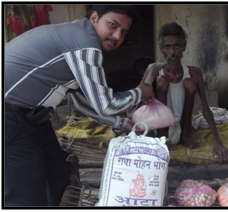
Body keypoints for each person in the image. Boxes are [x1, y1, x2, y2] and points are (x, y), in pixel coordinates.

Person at [4, 5, 153, 206]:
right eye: (112, 25)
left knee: (58, 173)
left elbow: (85, 101)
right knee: (25, 194)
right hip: (9, 118)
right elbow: (104, 104)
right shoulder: (85, 44)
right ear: (94, 18)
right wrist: (139, 92)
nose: (117, 36)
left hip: (33, 119)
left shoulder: (76, 37)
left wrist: (121, 123)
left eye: (123, 32)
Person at [141, 22, 228, 164]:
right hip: (161, 130)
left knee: (189, 83)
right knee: (162, 81)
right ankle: (163, 138)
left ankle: (184, 135)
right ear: (161, 49)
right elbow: (143, 105)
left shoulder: (193, 72)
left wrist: (217, 141)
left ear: (183, 47)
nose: (172, 52)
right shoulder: (155, 72)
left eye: (176, 46)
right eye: (167, 47)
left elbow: (206, 108)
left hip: (185, 127)